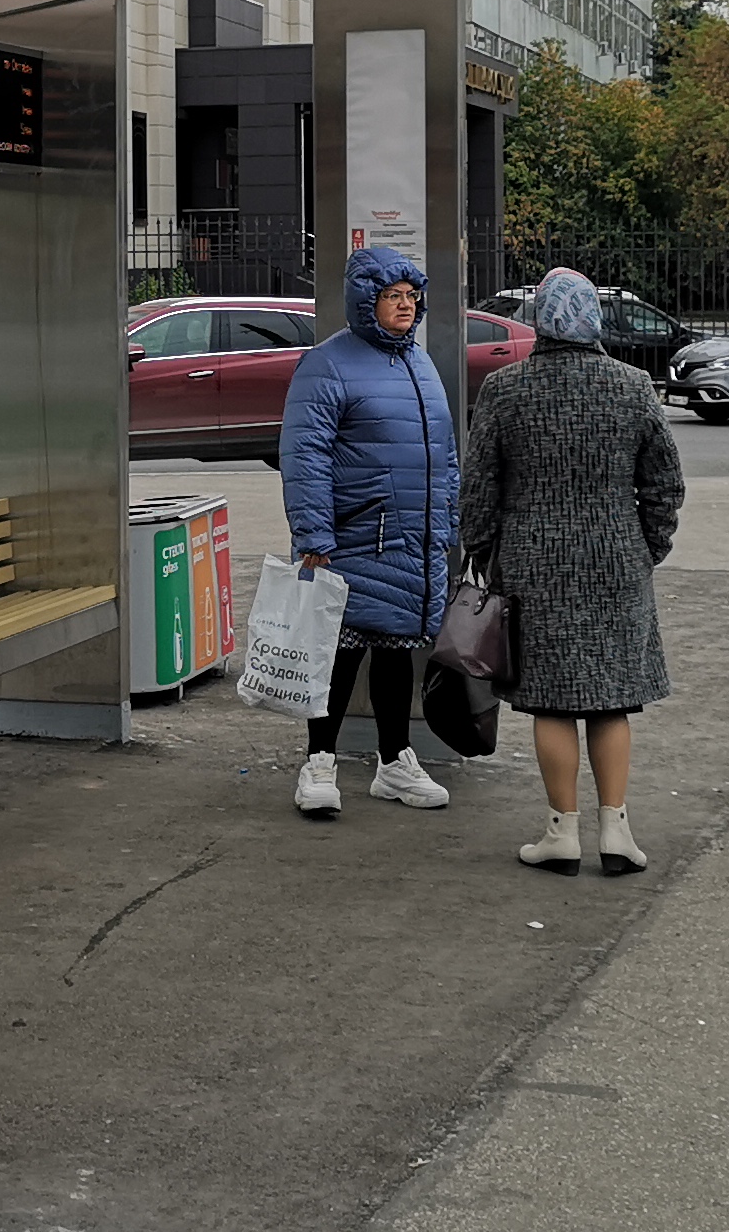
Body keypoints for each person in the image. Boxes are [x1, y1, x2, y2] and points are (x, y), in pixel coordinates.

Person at [460, 269, 685, 875]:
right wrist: (647, 547)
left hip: (531, 563)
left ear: (540, 320)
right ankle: (617, 831)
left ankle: (561, 833)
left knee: (551, 702)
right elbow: (665, 483)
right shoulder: (633, 386)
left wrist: (485, 552)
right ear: (594, 320)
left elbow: (478, 489)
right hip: (617, 561)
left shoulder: (505, 389)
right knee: (613, 700)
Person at [280, 246, 461, 819]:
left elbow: (443, 453)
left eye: (411, 296)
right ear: (366, 301)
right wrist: (314, 535)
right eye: (392, 296)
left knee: (395, 651)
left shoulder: (420, 363)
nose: (406, 306)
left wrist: (447, 519)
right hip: (354, 538)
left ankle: (394, 761)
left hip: (411, 538)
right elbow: (304, 455)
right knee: (339, 655)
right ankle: (318, 764)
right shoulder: (327, 364)